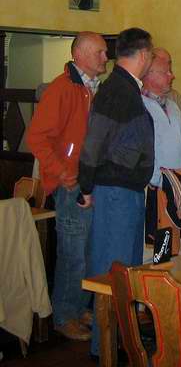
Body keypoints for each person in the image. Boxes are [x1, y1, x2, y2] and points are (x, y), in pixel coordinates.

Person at [26, 32, 108, 341]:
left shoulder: (90, 88)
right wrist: (63, 173)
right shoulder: (62, 88)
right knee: (73, 253)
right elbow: (37, 138)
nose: (106, 58)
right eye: (101, 52)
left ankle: (78, 306)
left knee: (86, 251)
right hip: (70, 186)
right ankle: (64, 314)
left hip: (88, 182)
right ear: (82, 54)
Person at [78, 28, 154, 357]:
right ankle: (105, 347)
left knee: (126, 271)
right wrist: (85, 186)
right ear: (143, 55)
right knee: (113, 271)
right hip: (115, 192)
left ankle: (121, 341)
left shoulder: (126, 87)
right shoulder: (116, 89)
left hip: (125, 191)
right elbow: (93, 142)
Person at [141, 48, 181, 247]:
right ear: (149, 75)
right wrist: (159, 180)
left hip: (177, 188)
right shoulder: (139, 106)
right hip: (153, 189)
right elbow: (141, 152)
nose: (172, 76)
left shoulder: (172, 106)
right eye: (166, 72)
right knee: (152, 248)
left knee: (173, 246)